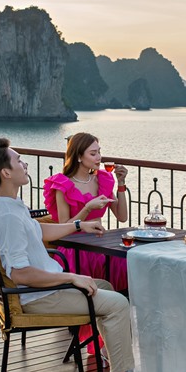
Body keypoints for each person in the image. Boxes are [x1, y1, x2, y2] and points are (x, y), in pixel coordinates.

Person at [0, 137, 156, 372]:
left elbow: (40, 231)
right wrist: (71, 278)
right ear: (6, 173)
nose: (24, 164)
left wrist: (79, 224)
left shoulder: (7, 205)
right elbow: (21, 273)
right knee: (118, 303)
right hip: (36, 296)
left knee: (105, 285)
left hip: (40, 290)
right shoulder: (8, 216)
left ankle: (117, 363)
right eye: (18, 160)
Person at [43, 133, 130, 353]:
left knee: (131, 266)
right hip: (74, 248)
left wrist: (121, 184)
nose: (99, 157)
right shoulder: (62, 184)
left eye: (99, 151)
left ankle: (117, 340)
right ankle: (103, 340)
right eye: (93, 153)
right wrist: (87, 209)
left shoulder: (103, 179)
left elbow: (122, 216)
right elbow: (64, 227)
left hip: (102, 245)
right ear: (79, 156)